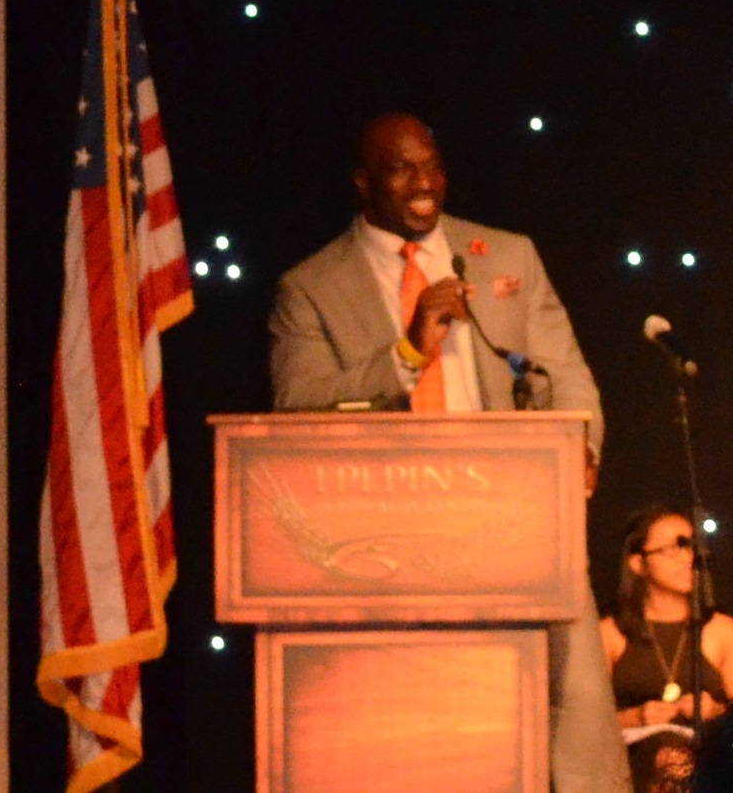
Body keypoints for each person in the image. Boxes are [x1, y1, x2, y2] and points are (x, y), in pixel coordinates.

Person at [269, 111, 632, 793]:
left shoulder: (508, 256)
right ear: (362, 182)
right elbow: (296, 404)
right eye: (402, 168)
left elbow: (566, 374)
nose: (424, 182)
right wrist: (408, 351)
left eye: (432, 165)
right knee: (430, 733)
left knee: (575, 701)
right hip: (391, 540)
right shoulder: (310, 287)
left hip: (517, 519)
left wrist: (578, 447)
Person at [600, 506, 733, 792]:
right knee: (667, 756)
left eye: (689, 547)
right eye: (673, 549)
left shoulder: (721, 630)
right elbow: (581, 720)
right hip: (633, 762)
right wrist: (635, 717)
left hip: (708, 758)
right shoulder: (610, 633)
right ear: (638, 563)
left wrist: (716, 711)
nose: (687, 558)